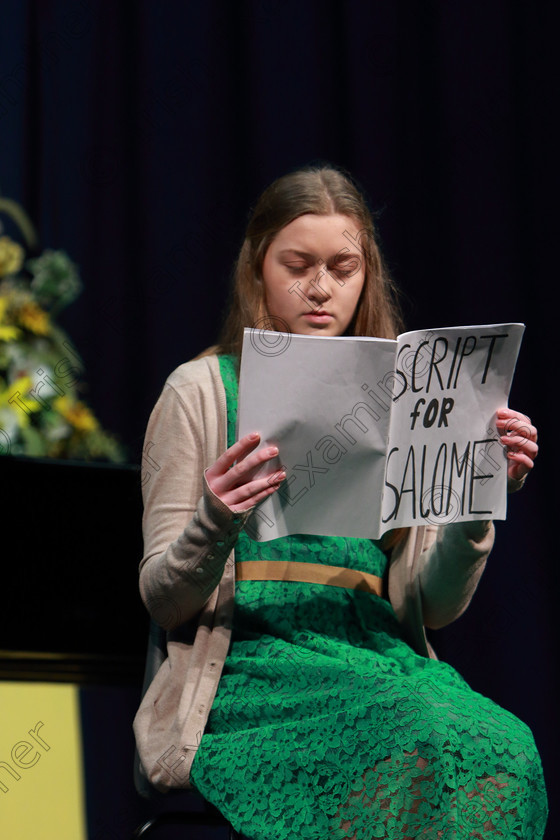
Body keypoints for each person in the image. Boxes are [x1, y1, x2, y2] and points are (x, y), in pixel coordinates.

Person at [134, 165, 547, 839]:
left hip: (378, 654)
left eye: (342, 267)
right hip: (256, 672)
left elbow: (432, 606)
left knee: (506, 746)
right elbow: (162, 596)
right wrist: (215, 521)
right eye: (297, 265)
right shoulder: (202, 389)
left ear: (366, 275)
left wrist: (478, 495)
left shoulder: (404, 395)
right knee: (415, 733)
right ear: (258, 267)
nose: (321, 288)